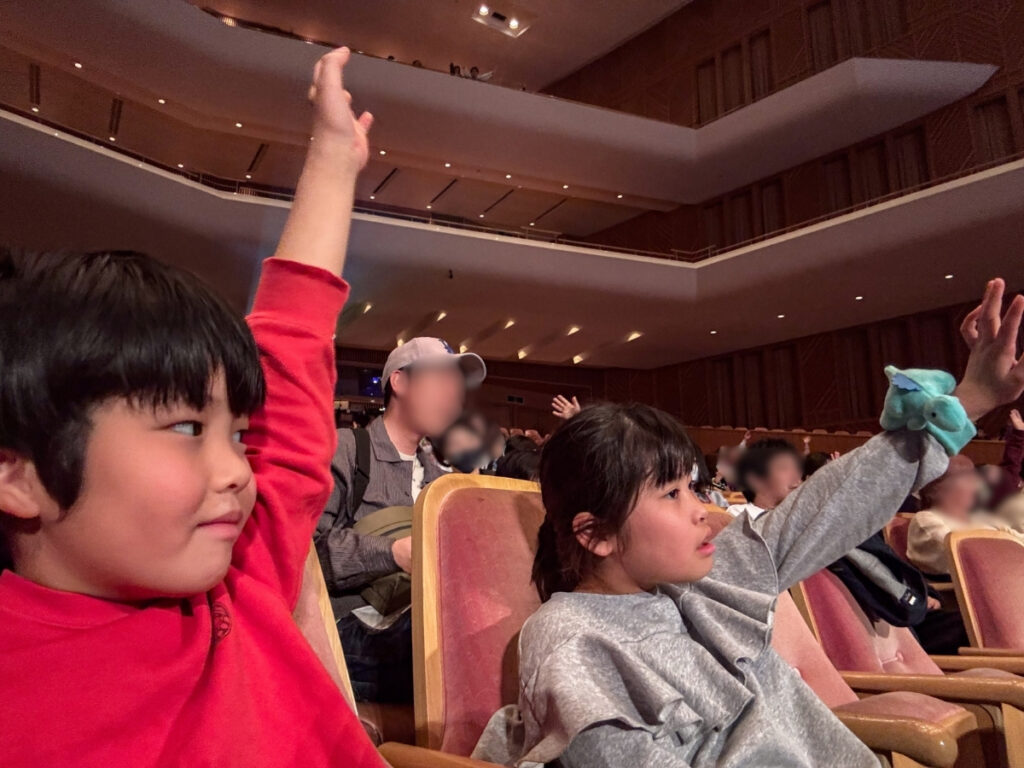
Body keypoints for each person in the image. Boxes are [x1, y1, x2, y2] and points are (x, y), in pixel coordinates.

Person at [0, 48, 385, 767]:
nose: (240, 470)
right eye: (185, 427)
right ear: (17, 474)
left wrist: (335, 163)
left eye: (237, 434)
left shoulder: (237, 574)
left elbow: (290, 361)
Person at [472, 277, 1024, 768]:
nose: (700, 510)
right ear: (595, 533)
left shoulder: (705, 580)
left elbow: (830, 505)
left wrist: (971, 399)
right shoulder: (571, 639)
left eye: (693, 487)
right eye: (670, 494)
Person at [316, 336, 485, 702]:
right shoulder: (348, 450)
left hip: (418, 620)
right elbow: (309, 552)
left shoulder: (441, 479)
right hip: (353, 628)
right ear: (400, 381)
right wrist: (393, 553)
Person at [906, 453, 1024, 576]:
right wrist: (1009, 553)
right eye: (968, 479)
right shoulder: (926, 520)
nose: (977, 486)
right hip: (971, 585)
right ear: (936, 488)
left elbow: (1015, 540)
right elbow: (961, 554)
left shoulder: (979, 519)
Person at [728, 438, 803, 519]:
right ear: (756, 480)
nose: (796, 476)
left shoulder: (801, 516)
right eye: (784, 467)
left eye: (797, 468)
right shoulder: (738, 515)